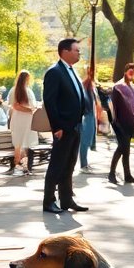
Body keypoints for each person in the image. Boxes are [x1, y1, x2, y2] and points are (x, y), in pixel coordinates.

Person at [41, 38, 90, 213]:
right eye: (76, 50)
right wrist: (57, 127)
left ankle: (67, 200)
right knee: (57, 165)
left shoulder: (72, 71)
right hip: (63, 127)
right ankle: (48, 201)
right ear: (65, 51)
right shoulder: (54, 72)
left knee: (69, 165)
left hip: (75, 126)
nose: (79, 53)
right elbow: (50, 101)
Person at [108, 63, 134, 185]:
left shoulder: (132, 86)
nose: (131, 73)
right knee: (122, 147)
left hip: (130, 122)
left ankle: (127, 175)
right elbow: (112, 107)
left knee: (126, 149)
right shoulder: (118, 87)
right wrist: (115, 123)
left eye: (133, 71)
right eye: (130, 71)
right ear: (125, 71)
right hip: (120, 123)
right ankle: (111, 173)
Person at [8, 70, 38, 176]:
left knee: (25, 143)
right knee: (19, 143)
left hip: (28, 120)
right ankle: (19, 165)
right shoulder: (15, 90)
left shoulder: (28, 90)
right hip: (19, 119)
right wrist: (30, 110)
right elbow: (15, 106)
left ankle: (24, 166)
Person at [77, 64, 100, 170]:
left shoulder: (92, 84)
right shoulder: (86, 84)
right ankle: (83, 164)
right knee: (85, 140)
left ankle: (85, 163)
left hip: (91, 114)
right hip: (87, 115)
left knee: (88, 139)